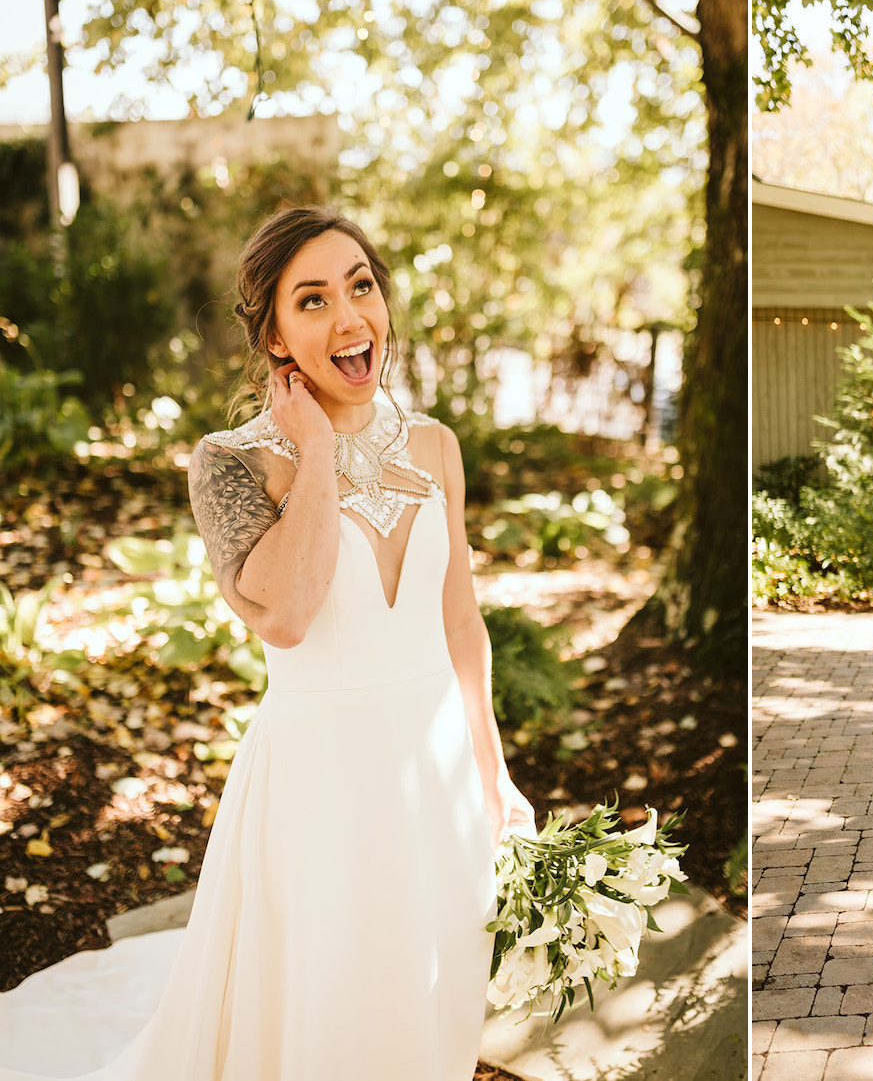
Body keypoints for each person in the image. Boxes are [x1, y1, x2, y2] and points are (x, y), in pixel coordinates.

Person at [0, 207, 535, 1079]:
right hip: (318, 784)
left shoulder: (437, 447)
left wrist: (492, 769)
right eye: (314, 300)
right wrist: (316, 453)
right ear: (276, 335)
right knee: (325, 999)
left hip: (432, 766)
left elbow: (459, 618)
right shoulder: (229, 463)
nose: (350, 316)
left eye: (361, 286)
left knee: (431, 976)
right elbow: (285, 616)